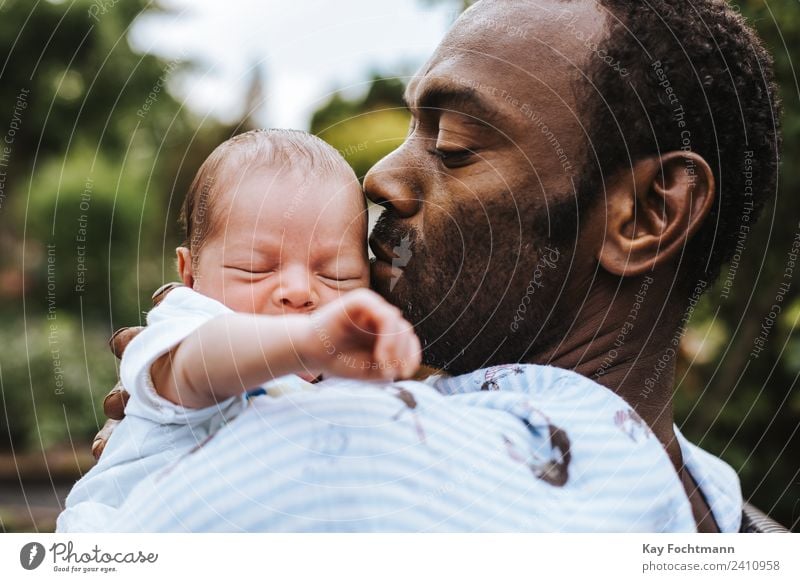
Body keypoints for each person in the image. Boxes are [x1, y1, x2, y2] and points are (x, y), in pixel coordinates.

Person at [89, 0, 781, 532]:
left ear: (648, 214)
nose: (380, 177)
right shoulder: (706, 499)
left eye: (453, 145)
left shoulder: (332, 470)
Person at [57, 129, 421, 531]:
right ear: (190, 275)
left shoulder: (348, 379)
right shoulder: (188, 325)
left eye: (336, 274)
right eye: (255, 268)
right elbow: (197, 364)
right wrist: (306, 341)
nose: (300, 291)